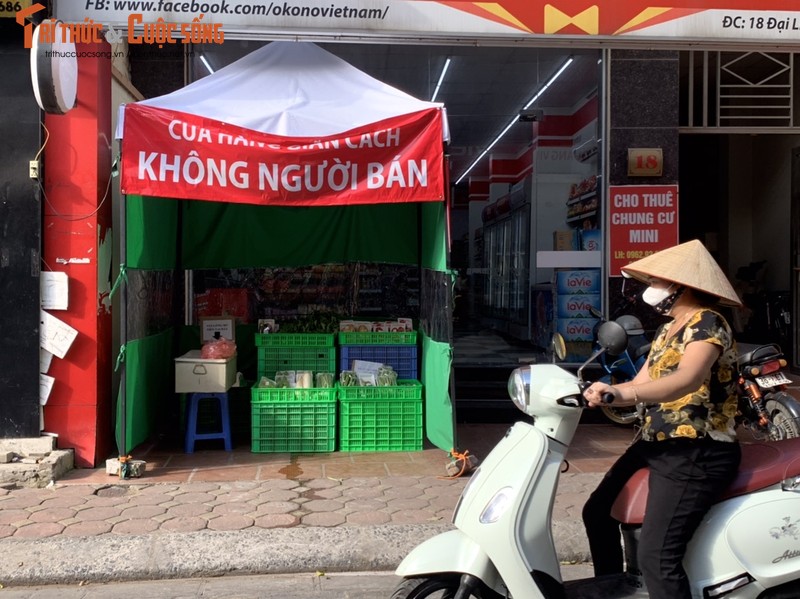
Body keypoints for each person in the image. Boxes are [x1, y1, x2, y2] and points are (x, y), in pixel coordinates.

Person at [581, 239, 743, 599]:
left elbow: (687, 379)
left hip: (697, 449)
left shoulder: (707, 324)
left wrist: (626, 393)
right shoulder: (667, 329)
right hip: (658, 442)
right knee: (598, 512)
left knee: (657, 557)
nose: (650, 290)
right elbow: (642, 382)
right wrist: (603, 391)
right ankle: (611, 590)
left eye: (658, 282)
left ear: (682, 287)